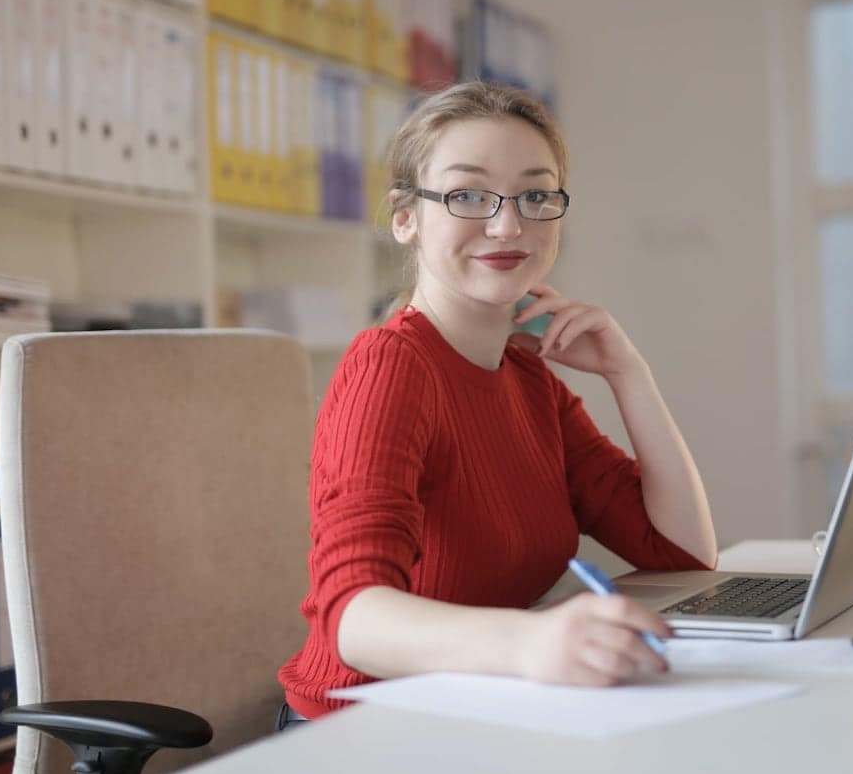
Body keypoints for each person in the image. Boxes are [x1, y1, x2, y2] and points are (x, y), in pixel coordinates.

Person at [275, 81, 716, 727]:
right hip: (360, 731)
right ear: (406, 217)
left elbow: (680, 552)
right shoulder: (390, 366)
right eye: (467, 195)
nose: (508, 224)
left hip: (476, 709)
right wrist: (531, 642)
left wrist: (630, 373)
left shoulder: (526, 377)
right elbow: (352, 616)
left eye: (535, 195)